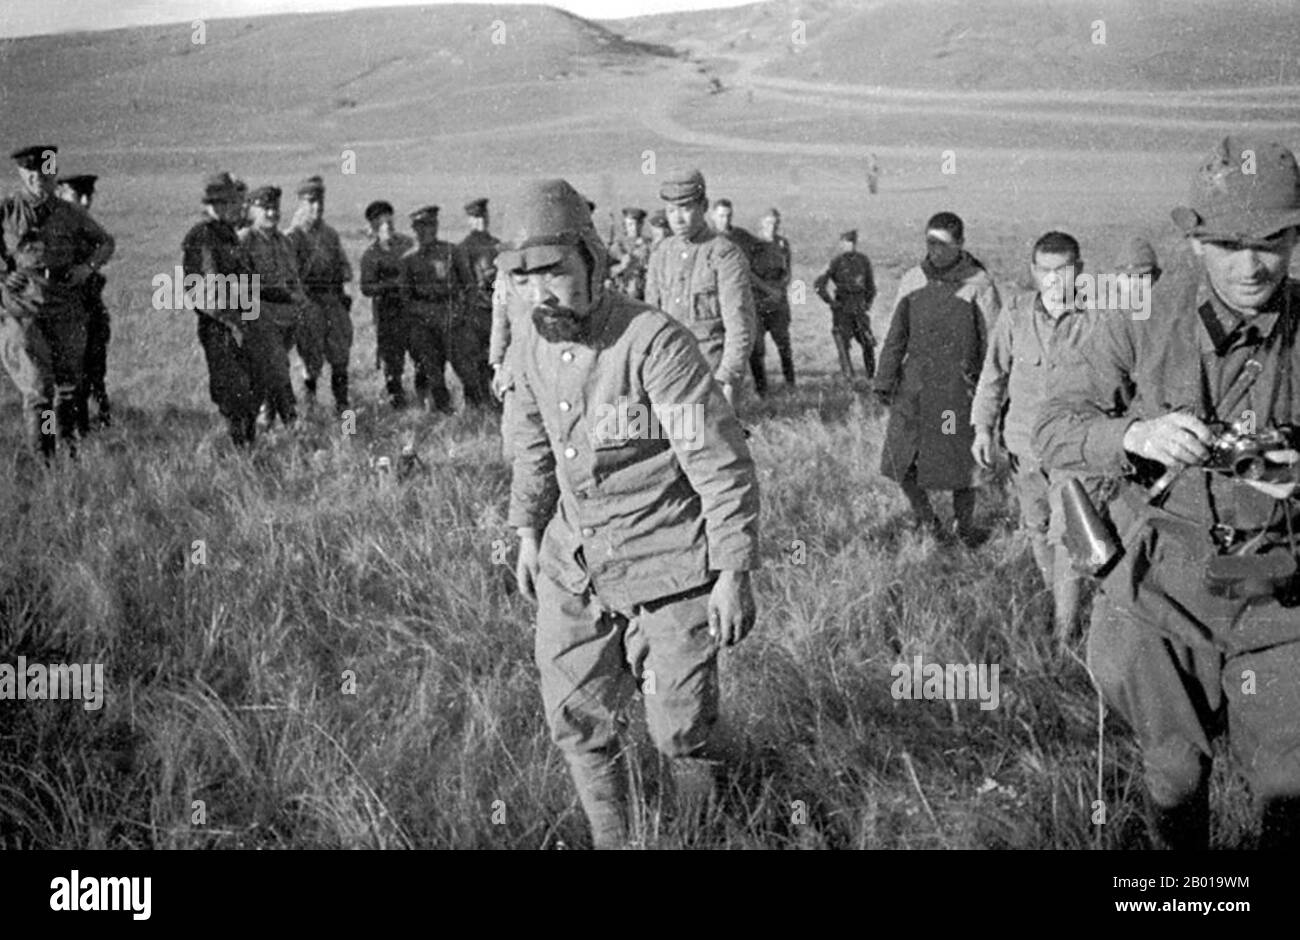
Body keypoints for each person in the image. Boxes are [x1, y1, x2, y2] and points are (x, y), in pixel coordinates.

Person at [1034, 136, 1300, 849]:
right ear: (1196, 242)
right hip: (1161, 590)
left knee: (1290, 782)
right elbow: (1054, 428)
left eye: (1272, 242)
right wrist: (1135, 437)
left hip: (1280, 595)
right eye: (1230, 243)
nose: (1251, 265)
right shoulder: (1140, 319)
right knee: (1175, 776)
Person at [501, 178, 759, 849]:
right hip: (575, 562)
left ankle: (704, 836)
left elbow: (717, 460)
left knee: (680, 726)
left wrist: (733, 570)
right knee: (576, 719)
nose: (540, 294)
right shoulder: (529, 345)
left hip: (669, 561)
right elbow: (529, 442)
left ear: (591, 259)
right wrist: (528, 532)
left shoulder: (653, 343)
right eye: (525, 279)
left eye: (554, 272)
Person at [971, 231, 1100, 644]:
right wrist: (981, 428)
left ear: (1078, 271)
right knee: (1037, 527)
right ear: (1033, 271)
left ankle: (1064, 633)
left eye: (1061, 271)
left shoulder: (1097, 316)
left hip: (1074, 449)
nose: (1052, 280)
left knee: (1066, 535)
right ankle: (1055, 597)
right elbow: (993, 375)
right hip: (1025, 446)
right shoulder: (1016, 313)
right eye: (1044, 271)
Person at [874, 211, 999, 543]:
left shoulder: (979, 285)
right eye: (930, 243)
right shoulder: (913, 279)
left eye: (943, 244)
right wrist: (884, 380)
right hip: (913, 388)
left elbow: (995, 345)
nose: (935, 251)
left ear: (960, 244)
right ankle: (927, 520)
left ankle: (964, 526)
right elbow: (895, 336)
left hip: (956, 394)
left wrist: (992, 394)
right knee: (902, 458)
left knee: (960, 464)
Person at [0, 145, 114, 459]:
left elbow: (104, 242)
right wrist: (2, 277)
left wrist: (86, 268)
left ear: (54, 172)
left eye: (45, 170)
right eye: (31, 171)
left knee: (68, 387)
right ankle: (46, 458)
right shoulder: (8, 210)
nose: (38, 177)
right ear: (22, 173)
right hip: (24, 308)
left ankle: (69, 449)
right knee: (38, 390)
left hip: (64, 305)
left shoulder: (70, 212)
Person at [644, 170, 757, 408]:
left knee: (711, 443)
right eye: (671, 210)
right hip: (667, 375)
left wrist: (728, 378)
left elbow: (740, 325)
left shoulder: (724, 254)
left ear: (703, 206)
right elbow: (650, 322)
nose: (678, 219)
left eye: (686, 208)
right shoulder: (660, 254)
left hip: (710, 376)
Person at [180, 172, 262, 447]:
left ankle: (247, 446)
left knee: (250, 388)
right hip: (221, 326)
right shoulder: (203, 236)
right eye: (231, 202)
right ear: (216, 204)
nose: (237, 207)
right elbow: (208, 290)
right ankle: (239, 449)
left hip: (240, 321)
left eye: (236, 201)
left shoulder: (228, 235)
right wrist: (234, 321)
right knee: (232, 391)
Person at [287, 175, 353, 416]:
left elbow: (346, 269)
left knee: (340, 356)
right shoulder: (293, 237)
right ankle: (310, 407)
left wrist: (339, 284)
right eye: (311, 201)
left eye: (320, 201)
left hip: (332, 300)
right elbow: (290, 277)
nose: (317, 207)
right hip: (308, 302)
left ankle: (343, 407)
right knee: (310, 359)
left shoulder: (330, 235)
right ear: (301, 203)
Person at [239, 185, 302, 428]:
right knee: (278, 367)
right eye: (265, 208)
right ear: (253, 210)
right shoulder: (246, 240)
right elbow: (243, 284)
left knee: (272, 369)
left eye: (275, 208)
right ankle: (290, 421)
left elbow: (293, 278)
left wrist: (298, 301)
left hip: (286, 319)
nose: (272, 213)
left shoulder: (284, 241)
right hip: (261, 318)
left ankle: (267, 420)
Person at [56, 173, 113, 431]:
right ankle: (59, 433)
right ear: (60, 193)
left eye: (89, 195)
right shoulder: (54, 225)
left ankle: (91, 424)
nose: (85, 201)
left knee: (94, 372)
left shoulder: (86, 226)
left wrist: (88, 268)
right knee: (59, 384)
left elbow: (107, 244)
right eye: (78, 195)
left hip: (89, 307)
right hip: (59, 311)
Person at [399, 205, 461, 413]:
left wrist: (460, 312)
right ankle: (436, 408)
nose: (427, 231)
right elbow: (405, 298)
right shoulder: (408, 260)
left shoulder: (451, 252)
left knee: (464, 366)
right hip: (422, 321)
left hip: (449, 316)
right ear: (414, 229)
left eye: (431, 226)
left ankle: (478, 409)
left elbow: (467, 287)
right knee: (430, 367)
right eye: (422, 227)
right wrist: (424, 313)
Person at [359, 200, 416, 409]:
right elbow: (366, 287)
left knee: (420, 353)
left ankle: (425, 397)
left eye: (390, 224)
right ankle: (397, 399)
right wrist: (392, 286)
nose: (388, 229)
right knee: (393, 360)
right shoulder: (370, 256)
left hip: (411, 310)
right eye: (382, 225)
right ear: (375, 229)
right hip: (388, 313)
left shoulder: (407, 245)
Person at [452, 197, 498, 408]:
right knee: (475, 360)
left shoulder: (497, 245)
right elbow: (463, 284)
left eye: (483, 217)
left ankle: (498, 403)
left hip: (496, 310)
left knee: (497, 358)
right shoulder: (463, 249)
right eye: (475, 218)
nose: (481, 222)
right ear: (469, 221)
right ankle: (477, 406)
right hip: (474, 311)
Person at [814, 229, 877, 381]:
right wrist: (830, 301)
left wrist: (868, 303)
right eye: (847, 243)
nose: (850, 246)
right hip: (842, 307)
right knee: (843, 343)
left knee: (867, 342)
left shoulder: (863, 260)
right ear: (841, 244)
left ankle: (872, 377)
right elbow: (819, 284)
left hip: (859, 307)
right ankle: (849, 379)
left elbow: (871, 286)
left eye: (852, 243)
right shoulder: (835, 261)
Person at [747, 207, 795, 395]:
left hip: (778, 302)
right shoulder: (754, 244)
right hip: (759, 301)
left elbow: (788, 269)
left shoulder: (783, 244)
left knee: (784, 344)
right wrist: (768, 290)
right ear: (761, 223)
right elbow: (749, 274)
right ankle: (762, 390)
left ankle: (790, 383)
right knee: (757, 349)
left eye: (775, 223)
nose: (772, 227)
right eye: (768, 223)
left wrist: (782, 287)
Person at [607, 207, 651, 301]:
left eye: (637, 224)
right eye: (630, 224)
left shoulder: (649, 245)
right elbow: (607, 271)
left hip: (645, 291)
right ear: (625, 225)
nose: (634, 228)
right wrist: (622, 266)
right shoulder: (618, 246)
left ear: (642, 225)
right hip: (622, 290)